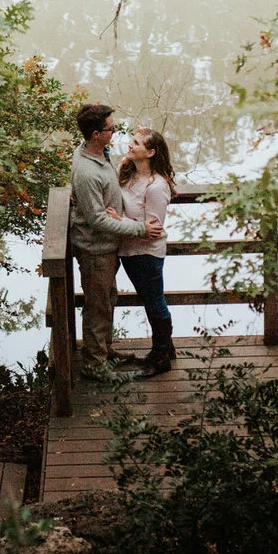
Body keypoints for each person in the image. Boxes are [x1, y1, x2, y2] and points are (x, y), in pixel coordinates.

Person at [69, 103, 162, 379]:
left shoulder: (100, 153)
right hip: (94, 248)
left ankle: (105, 351)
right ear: (96, 134)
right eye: (111, 129)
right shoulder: (87, 172)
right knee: (97, 306)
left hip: (107, 246)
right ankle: (95, 365)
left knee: (108, 298)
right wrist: (138, 228)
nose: (115, 132)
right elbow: (97, 219)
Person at [115, 128, 176, 377]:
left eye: (137, 143)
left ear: (150, 152)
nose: (130, 145)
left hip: (147, 254)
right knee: (151, 301)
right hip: (130, 250)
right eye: (132, 141)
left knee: (154, 303)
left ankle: (161, 359)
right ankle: (165, 349)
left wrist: (116, 220)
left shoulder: (156, 186)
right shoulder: (130, 176)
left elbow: (152, 229)